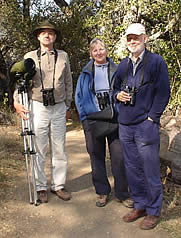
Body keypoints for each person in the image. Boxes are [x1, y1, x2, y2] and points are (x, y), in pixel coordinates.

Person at [113, 23, 170, 229]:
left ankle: (154, 211)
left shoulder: (156, 61)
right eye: (129, 38)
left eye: (136, 37)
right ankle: (140, 205)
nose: (132, 41)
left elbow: (164, 92)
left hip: (145, 126)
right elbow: (115, 88)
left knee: (150, 169)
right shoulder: (123, 64)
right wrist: (117, 95)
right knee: (132, 168)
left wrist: (152, 118)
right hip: (125, 125)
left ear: (145, 38)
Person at [13, 20, 73, 203]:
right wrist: (16, 102)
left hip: (59, 106)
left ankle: (59, 185)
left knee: (59, 149)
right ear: (38, 36)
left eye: (51, 33)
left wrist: (68, 105)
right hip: (37, 106)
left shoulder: (63, 56)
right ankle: (40, 187)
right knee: (39, 148)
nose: (47, 35)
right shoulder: (29, 56)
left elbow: (69, 81)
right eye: (43, 33)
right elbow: (20, 80)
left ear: (55, 37)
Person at [75, 38, 133, 208]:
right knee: (96, 157)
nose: (99, 52)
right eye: (95, 50)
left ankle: (122, 193)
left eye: (101, 49)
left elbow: (125, 90)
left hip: (114, 118)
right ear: (91, 53)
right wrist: (84, 119)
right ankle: (102, 192)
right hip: (93, 119)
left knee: (119, 157)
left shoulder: (117, 69)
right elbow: (79, 97)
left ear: (106, 51)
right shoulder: (85, 72)